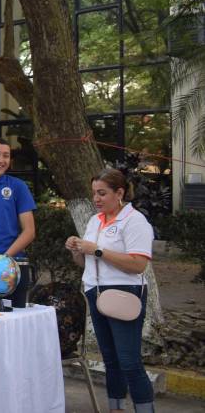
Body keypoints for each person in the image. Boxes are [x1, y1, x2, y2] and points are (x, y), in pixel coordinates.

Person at [66, 169, 155, 413]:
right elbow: (85, 263)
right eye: (94, 193)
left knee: (129, 361)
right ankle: (116, 407)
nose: (96, 199)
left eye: (102, 193)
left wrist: (97, 250)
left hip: (123, 291)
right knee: (110, 359)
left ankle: (145, 409)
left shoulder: (134, 221)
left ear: (120, 193)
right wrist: (77, 250)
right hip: (95, 291)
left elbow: (138, 264)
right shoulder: (96, 221)